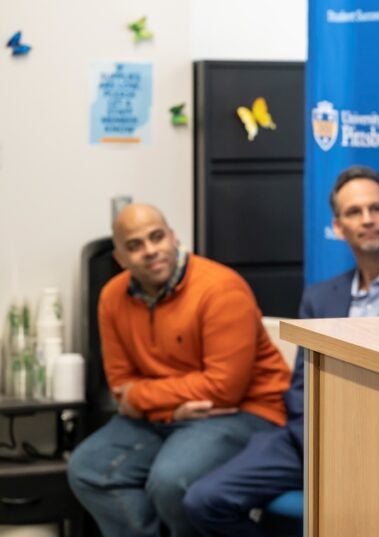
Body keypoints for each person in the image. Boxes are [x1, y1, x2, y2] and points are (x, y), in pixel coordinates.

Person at [183, 165, 379, 536]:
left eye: (375, 209)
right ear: (337, 226)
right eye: (353, 212)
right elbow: (301, 387)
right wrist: (319, 439)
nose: (367, 220)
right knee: (204, 501)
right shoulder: (319, 297)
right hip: (311, 440)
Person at [67, 204, 291, 537]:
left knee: (171, 481)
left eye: (157, 237)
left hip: (246, 411)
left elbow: (223, 388)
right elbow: (120, 385)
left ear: (174, 237)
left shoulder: (220, 288)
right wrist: (172, 409)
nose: (150, 251)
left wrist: (146, 399)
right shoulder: (112, 298)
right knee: (88, 468)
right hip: (167, 415)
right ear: (120, 258)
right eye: (135, 245)